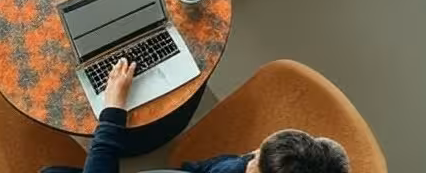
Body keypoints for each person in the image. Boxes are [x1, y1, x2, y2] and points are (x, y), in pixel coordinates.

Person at [42, 57, 352, 173]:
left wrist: (113, 109)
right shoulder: (238, 168)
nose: (252, 154)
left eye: (256, 162)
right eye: (259, 151)